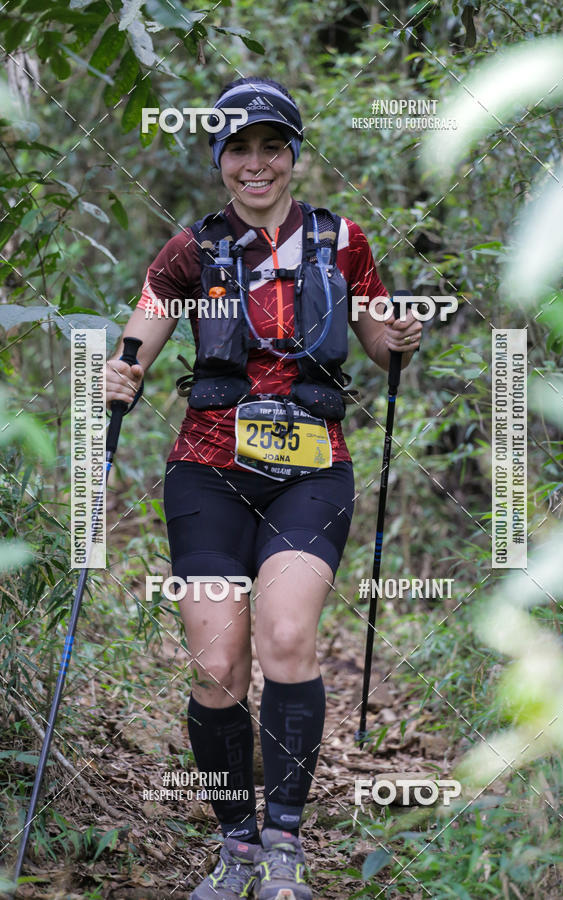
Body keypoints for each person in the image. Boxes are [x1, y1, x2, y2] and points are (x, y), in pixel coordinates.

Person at [106, 77, 421, 900]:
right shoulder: (190, 249)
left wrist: (397, 340)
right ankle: (235, 845)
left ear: (291, 155)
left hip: (312, 471)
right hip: (208, 469)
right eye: (239, 148)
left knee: (286, 640)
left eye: (271, 147)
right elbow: (139, 334)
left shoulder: (341, 241)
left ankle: (284, 837)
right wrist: (120, 371)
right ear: (219, 159)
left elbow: (383, 346)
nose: (256, 164)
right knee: (216, 667)